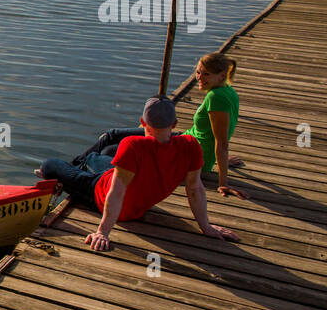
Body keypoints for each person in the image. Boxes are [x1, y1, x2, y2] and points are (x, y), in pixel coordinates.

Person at [38, 96, 238, 252]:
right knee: (107, 153)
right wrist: (206, 227)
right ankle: (86, 162)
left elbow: (116, 191)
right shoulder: (190, 145)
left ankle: (83, 163)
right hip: (127, 185)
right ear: (175, 124)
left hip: (102, 192)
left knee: (49, 165)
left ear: (142, 122)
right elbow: (195, 189)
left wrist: (102, 232)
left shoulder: (132, 144)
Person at [186, 52, 244, 198]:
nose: (199, 77)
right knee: (119, 135)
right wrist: (220, 161)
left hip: (188, 156)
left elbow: (222, 142)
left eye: (206, 74)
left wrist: (223, 182)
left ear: (222, 76)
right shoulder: (228, 90)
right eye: (198, 72)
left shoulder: (216, 97)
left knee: (121, 147)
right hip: (186, 142)